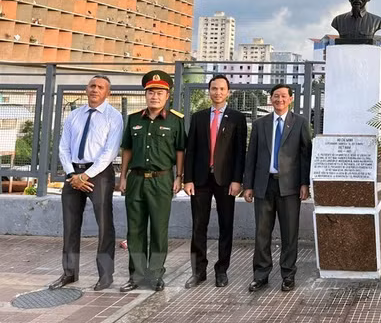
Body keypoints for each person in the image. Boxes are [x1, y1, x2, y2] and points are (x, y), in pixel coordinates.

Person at [50, 75, 123, 291]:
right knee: (70, 225)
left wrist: (86, 175)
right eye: (92, 86)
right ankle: (69, 273)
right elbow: (63, 147)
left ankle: (105, 275)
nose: (95, 90)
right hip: (73, 173)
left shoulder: (113, 117)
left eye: (100, 87)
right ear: (86, 88)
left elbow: (109, 152)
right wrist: (73, 174)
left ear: (107, 93)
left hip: (99, 174)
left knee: (104, 224)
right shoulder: (74, 115)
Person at [119, 70, 185, 292]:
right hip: (136, 180)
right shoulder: (134, 119)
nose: (154, 96)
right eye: (150, 92)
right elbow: (127, 149)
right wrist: (123, 177)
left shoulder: (176, 121)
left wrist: (179, 176)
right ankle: (136, 275)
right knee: (135, 230)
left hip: (162, 180)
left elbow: (180, 151)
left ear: (167, 96)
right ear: (145, 95)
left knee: (158, 229)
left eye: (159, 92)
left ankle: (155, 274)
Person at [243, 84, 312, 292]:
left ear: (290, 99)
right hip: (264, 185)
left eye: (283, 96)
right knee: (262, 232)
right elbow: (251, 155)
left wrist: (304, 183)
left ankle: (288, 274)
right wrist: (248, 185)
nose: (279, 99)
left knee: (289, 233)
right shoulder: (260, 124)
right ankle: (261, 274)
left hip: (290, 187)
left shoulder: (299, 123)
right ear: (271, 99)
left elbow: (305, 155)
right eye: (275, 96)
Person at [183, 74, 247, 288]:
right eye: (213, 89)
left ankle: (222, 270)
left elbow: (240, 152)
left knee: (225, 225)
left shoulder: (237, 118)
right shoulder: (198, 117)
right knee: (198, 226)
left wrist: (238, 180)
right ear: (208, 91)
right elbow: (190, 150)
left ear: (228, 92)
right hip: (200, 180)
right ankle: (198, 271)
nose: (217, 92)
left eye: (221, 89)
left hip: (226, 180)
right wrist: (188, 178)